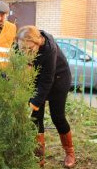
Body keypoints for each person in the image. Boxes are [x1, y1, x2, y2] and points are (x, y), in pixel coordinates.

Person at [16, 25, 75, 168]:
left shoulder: (49, 49)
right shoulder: (20, 43)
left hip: (58, 80)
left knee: (58, 117)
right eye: (22, 49)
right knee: (35, 118)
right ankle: (39, 157)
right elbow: (16, 65)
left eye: (30, 50)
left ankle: (70, 152)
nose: (25, 53)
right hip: (36, 80)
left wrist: (35, 102)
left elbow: (47, 80)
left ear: (38, 43)